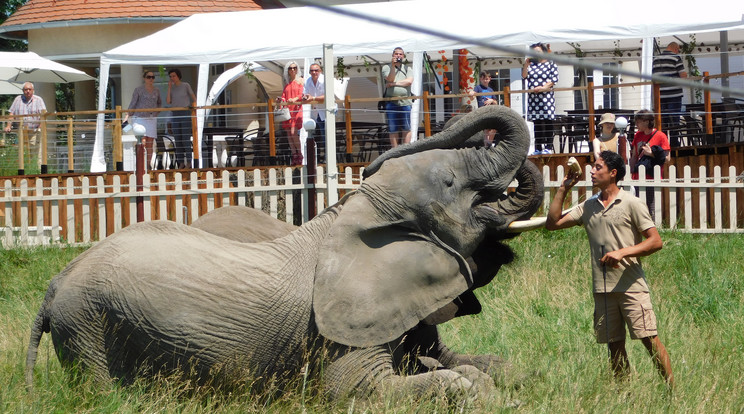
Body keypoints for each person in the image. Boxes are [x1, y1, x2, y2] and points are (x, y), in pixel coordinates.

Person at [546, 150, 674, 388]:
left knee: (649, 339)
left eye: (598, 167)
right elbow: (552, 224)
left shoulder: (631, 203)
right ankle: (623, 396)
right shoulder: (588, 206)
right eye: (593, 167)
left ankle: (672, 392)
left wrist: (622, 252)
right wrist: (564, 188)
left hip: (631, 286)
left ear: (613, 173)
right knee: (614, 345)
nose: (592, 172)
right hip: (602, 288)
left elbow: (655, 241)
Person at [630, 110, 671, 221]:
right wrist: (631, 172)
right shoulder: (638, 135)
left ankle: (653, 228)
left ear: (646, 121)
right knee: (637, 205)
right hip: (638, 176)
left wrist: (651, 154)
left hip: (652, 176)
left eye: (638, 122)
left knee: (651, 205)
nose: (636, 124)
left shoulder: (660, 136)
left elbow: (667, 158)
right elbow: (634, 156)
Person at [522, 42, 559, 153]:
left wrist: (543, 88)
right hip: (534, 98)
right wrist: (526, 65)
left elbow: (554, 80)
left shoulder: (551, 63)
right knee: (537, 122)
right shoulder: (532, 65)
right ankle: (538, 148)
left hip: (546, 97)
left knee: (548, 121)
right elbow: (524, 76)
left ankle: (548, 147)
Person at [124, 70, 162, 170]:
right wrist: (127, 116)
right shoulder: (138, 90)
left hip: (151, 118)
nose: (151, 79)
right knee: (142, 141)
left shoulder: (156, 90)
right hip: (139, 117)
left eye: (153, 77)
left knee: (150, 143)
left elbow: (159, 103)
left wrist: (156, 113)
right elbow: (133, 103)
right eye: (149, 77)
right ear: (144, 78)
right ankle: (140, 165)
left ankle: (148, 166)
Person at [652, 42, 687, 148]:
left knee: (662, 122)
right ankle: (674, 144)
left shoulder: (656, 59)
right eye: (678, 50)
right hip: (674, 94)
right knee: (674, 121)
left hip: (660, 96)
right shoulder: (676, 58)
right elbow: (683, 75)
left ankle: (662, 144)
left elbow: (654, 77)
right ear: (676, 49)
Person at [4, 82, 47, 168]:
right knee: (22, 153)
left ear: (33, 90)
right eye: (26, 89)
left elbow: (44, 115)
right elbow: (11, 114)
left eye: (29, 89)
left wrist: (40, 127)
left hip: (35, 131)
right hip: (21, 131)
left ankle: (38, 173)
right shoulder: (17, 99)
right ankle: (24, 171)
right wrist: (8, 126)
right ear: (23, 91)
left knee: (36, 152)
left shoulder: (38, 100)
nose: (28, 91)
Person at [382, 47, 414, 148]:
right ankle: (395, 152)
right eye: (396, 54)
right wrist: (392, 66)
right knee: (392, 129)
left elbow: (409, 82)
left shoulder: (408, 68)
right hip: (391, 103)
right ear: (393, 55)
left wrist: (393, 84)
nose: (398, 56)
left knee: (406, 128)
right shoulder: (386, 68)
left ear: (403, 56)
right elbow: (390, 78)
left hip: (405, 102)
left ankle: (405, 151)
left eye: (400, 54)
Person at [166, 68, 197, 169]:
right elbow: (168, 101)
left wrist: (195, 107)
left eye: (174, 76)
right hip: (175, 114)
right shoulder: (172, 87)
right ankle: (181, 162)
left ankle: (189, 162)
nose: (172, 78)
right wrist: (169, 88)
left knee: (185, 139)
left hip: (185, 113)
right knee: (177, 139)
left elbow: (193, 97)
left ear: (178, 76)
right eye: (171, 76)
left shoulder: (185, 85)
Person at [277, 61, 304, 165]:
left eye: (294, 68)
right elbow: (284, 96)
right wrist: (281, 99)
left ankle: (300, 154)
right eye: (290, 68)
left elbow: (303, 94)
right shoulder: (287, 84)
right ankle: (294, 155)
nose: (293, 70)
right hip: (288, 110)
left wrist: (295, 98)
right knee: (289, 133)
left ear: (297, 69)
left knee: (293, 132)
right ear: (287, 70)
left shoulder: (301, 81)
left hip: (296, 109)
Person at [302, 62, 325, 163]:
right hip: (316, 113)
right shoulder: (308, 81)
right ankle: (317, 159)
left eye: (316, 70)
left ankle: (328, 158)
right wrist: (306, 97)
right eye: (312, 70)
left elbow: (327, 96)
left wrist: (313, 98)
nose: (314, 72)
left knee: (326, 136)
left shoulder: (324, 80)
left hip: (326, 112)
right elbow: (305, 94)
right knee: (317, 137)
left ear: (320, 71)